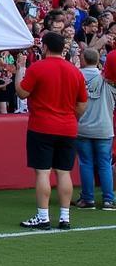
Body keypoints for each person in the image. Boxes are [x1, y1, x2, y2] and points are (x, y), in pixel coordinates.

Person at [15, 31, 89, 229]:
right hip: (67, 127)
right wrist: (71, 117)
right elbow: (82, 103)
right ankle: (65, 217)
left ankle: (43, 216)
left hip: (42, 126)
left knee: (43, 173)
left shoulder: (38, 68)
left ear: (45, 47)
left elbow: (22, 92)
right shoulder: (75, 71)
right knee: (64, 173)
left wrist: (19, 69)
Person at [74, 46, 116, 210]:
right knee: (104, 164)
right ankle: (108, 200)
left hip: (82, 127)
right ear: (98, 61)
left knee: (86, 163)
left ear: (83, 59)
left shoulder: (76, 76)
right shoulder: (109, 81)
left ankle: (87, 199)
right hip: (104, 128)